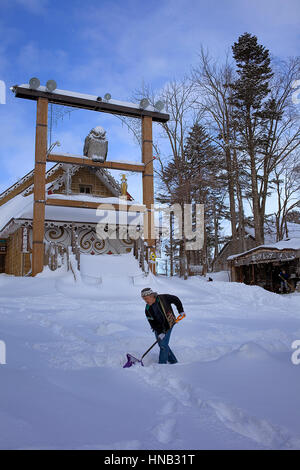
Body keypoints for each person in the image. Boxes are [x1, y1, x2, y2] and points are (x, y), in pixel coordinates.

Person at [141, 287, 185, 364]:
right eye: (144, 299)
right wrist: (160, 331)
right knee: (162, 343)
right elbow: (152, 322)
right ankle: (173, 361)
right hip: (158, 327)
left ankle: (162, 364)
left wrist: (181, 310)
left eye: (146, 298)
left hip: (169, 323)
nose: (146, 301)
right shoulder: (147, 309)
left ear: (151, 296)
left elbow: (176, 299)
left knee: (163, 345)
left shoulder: (163, 298)